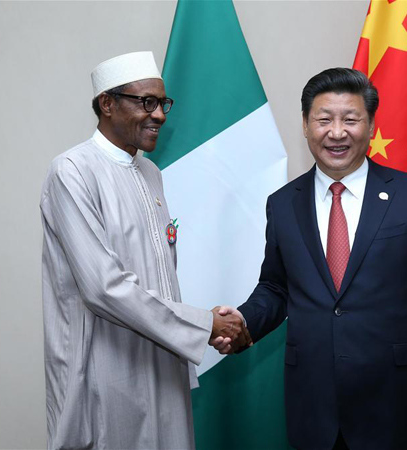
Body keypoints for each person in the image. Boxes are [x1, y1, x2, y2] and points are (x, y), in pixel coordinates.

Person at [213, 68, 407, 450]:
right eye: (324, 120)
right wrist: (244, 319)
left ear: (370, 126)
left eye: (350, 119)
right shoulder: (283, 204)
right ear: (305, 125)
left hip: (397, 401)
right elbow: (276, 286)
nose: (337, 132)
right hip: (314, 406)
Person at [40, 51, 250, 450]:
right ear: (107, 103)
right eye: (146, 103)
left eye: (163, 104)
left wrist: (203, 325)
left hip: (162, 357)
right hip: (103, 364)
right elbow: (104, 287)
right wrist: (204, 325)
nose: (160, 116)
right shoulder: (72, 170)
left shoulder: (149, 173)